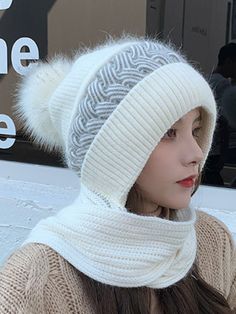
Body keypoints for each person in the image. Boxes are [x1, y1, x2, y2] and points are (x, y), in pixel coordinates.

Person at [0, 36, 235, 313]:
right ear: (113, 150)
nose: (196, 153)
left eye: (195, 131)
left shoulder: (212, 241)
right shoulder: (33, 281)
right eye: (168, 132)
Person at [202, 43, 236, 186]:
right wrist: (223, 153)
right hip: (218, 148)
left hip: (207, 145)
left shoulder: (206, 79)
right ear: (228, 61)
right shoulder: (224, 85)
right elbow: (223, 121)